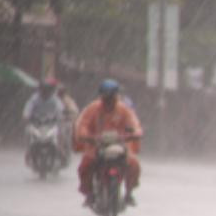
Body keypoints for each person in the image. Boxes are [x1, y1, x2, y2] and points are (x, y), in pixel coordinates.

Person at [74, 79, 142, 207]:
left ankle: (128, 193)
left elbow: (134, 124)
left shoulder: (124, 109)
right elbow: (83, 125)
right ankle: (89, 194)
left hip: (120, 145)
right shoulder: (93, 109)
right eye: (106, 98)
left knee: (133, 165)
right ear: (101, 97)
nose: (109, 101)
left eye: (112, 98)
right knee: (85, 166)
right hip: (96, 146)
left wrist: (136, 133)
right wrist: (86, 136)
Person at [22, 78, 69, 162]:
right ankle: (28, 152)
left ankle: (60, 149)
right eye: (43, 89)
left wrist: (62, 117)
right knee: (27, 131)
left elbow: (60, 109)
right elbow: (28, 108)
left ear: (51, 90)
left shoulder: (54, 99)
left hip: (51, 123)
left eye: (47, 90)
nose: (45, 92)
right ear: (40, 89)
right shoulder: (34, 98)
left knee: (61, 131)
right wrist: (26, 116)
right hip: (37, 123)